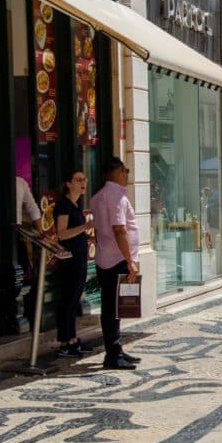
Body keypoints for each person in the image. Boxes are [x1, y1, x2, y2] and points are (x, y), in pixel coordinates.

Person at [90, 157, 141, 370]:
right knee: (113, 309)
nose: (127, 174)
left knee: (116, 308)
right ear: (118, 171)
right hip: (118, 260)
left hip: (105, 258)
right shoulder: (116, 195)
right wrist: (130, 261)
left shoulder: (98, 196)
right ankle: (112, 354)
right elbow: (119, 230)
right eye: (126, 170)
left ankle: (116, 349)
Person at [54, 170, 92, 358]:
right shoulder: (63, 206)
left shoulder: (76, 205)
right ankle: (65, 341)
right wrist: (85, 227)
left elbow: (75, 232)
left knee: (75, 299)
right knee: (68, 299)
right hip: (70, 260)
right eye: (78, 180)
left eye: (84, 179)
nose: (83, 183)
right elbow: (62, 233)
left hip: (80, 257)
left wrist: (89, 234)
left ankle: (73, 338)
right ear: (68, 184)